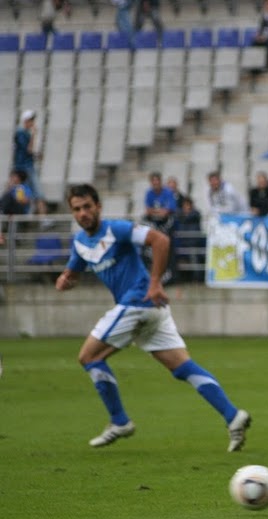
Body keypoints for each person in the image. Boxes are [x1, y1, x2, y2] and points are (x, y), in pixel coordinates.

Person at [55, 183, 251, 451]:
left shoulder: (117, 229)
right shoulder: (80, 243)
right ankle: (233, 416)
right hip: (148, 310)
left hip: (138, 302)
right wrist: (66, 281)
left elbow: (160, 240)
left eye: (87, 207)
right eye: (77, 209)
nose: (83, 213)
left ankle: (119, 421)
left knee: (88, 357)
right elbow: (72, 274)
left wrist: (155, 282)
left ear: (98, 206)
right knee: (182, 367)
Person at [14, 110, 43, 203]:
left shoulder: (24, 133)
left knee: (25, 194)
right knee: (37, 193)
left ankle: (29, 215)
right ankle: (42, 216)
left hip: (24, 167)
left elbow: (27, 151)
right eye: (31, 120)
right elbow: (29, 149)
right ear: (25, 121)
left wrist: (36, 155)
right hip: (24, 168)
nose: (32, 122)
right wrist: (34, 134)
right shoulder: (21, 133)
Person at [0, 170, 34, 246]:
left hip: (19, 209)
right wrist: (10, 188)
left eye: (14, 176)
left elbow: (25, 201)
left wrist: (17, 196)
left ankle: (1, 211)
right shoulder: (11, 188)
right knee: (7, 196)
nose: (11, 178)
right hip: (9, 210)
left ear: (19, 178)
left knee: (8, 196)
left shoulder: (24, 187)